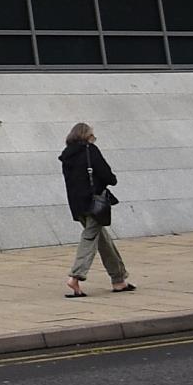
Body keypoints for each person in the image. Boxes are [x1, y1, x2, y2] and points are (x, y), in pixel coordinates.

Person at [60, 120, 135, 297]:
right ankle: (75, 276)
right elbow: (107, 175)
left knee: (104, 241)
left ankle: (119, 280)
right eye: (92, 134)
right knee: (90, 237)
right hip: (94, 203)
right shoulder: (89, 150)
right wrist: (111, 179)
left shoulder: (66, 155)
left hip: (77, 205)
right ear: (86, 136)